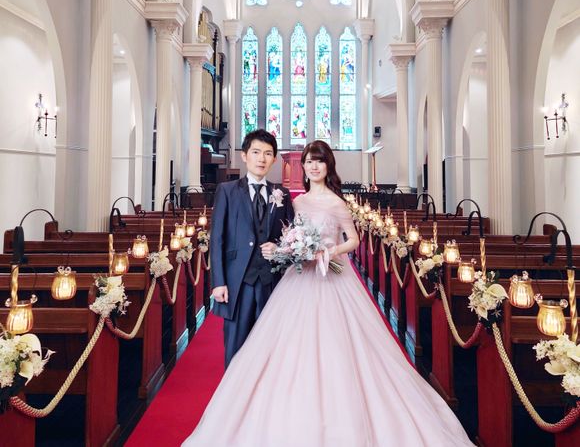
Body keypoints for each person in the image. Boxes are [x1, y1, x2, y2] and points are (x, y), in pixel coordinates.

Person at [184, 140, 474, 446]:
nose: (313, 166)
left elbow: (354, 240)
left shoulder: (337, 203)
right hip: (298, 281)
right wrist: (290, 249)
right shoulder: (295, 203)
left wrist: (329, 251)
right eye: (309, 161)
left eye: (319, 161)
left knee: (340, 346)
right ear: (303, 166)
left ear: (328, 166)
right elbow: (284, 236)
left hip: (333, 277)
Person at [209, 129, 294, 368]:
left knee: (270, 347)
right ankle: (233, 390)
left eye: (268, 153)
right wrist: (218, 282)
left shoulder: (282, 194)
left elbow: (291, 238)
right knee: (235, 347)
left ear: (274, 159)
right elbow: (217, 238)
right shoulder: (227, 191)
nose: (261, 159)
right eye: (256, 152)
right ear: (245, 155)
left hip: (271, 281)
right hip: (238, 282)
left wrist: (278, 248)